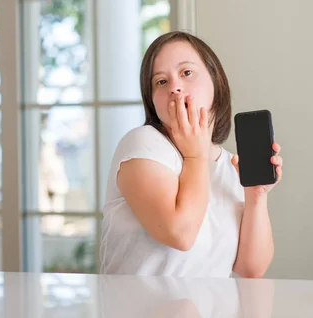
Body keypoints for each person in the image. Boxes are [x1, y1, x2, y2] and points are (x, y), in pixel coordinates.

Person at [99, 31, 284, 278]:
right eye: (161, 82)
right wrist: (196, 156)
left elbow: (251, 269)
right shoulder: (143, 143)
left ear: (216, 82)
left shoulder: (231, 166)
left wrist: (256, 196)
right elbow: (180, 234)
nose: (174, 87)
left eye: (186, 73)